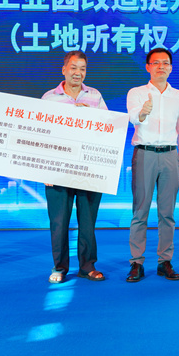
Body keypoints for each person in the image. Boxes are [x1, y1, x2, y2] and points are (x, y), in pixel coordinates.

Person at [125, 47, 179, 282]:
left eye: (165, 63)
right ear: (148, 67)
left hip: (170, 155)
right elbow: (133, 117)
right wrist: (143, 113)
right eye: (156, 63)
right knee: (140, 211)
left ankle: (165, 261)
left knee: (167, 213)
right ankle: (136, 262)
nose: (161, 67)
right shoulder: (137, 93)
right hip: (145, 153)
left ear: (171, 68)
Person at [41, 50, 108, 283]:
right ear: (64, 69)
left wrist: (92, 117)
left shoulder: (95, 96)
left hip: (88, 168)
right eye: (73, 68)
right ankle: (59, 267)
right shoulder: (49, 98)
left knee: (88, 220)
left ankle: (87, 266)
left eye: (82, 69)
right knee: (59, 221)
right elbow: (41, 135)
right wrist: (44, 169)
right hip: (57, 169)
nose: (78, 73)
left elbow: (108, 129)